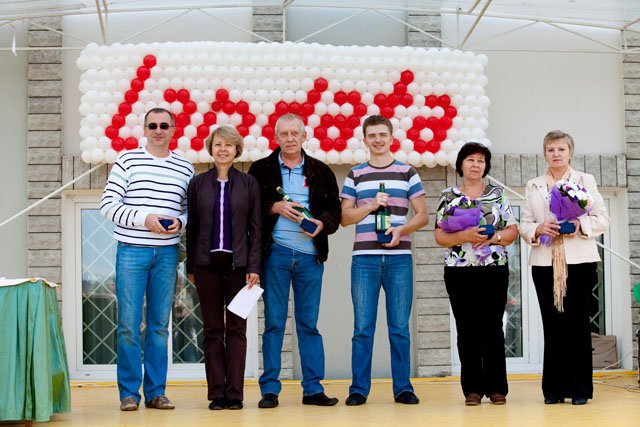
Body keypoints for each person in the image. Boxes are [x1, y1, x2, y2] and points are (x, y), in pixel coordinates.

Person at [100, 107, 194, 411]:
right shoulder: (128, 160)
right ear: (144, 129)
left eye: (164, 125)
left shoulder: (185, 168)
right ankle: (129, 393)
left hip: (167, 254)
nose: (158, 130)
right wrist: (145, 218)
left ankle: (156, 392)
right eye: (152, 125)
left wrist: (180, 222)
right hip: (132, 251)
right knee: (128, 324)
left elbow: (189, 211)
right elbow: (108, 205)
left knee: (159, 326)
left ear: (173, 130)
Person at [248, 113, 341, 408]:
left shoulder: (321, 171)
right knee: (274, 323)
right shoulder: (261, 169)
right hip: (274, 254)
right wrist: (274, 206)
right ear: (276, 137)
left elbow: (335, 212)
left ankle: (313, 389)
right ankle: (270, 391)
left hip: (310, 257)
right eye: (284, 134)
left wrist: (322, 224)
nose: (289, 138)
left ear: (304, 136)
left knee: (308, 324)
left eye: (294, 133)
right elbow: (248, 208)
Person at [340, 115, 429, 406]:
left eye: (382, 135)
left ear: (391, 137)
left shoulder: (407, 172)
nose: (377, 140)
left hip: (399, 259)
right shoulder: (355, 174)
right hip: (364, 260)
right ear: (364, 140)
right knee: (362, 328)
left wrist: (401, 230)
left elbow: (423, 215)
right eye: (372, 135)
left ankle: (403, 388)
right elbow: (345, 218)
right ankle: (358, 389)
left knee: (399, 328)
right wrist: (369, 206)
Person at [520, 130, 610, 405]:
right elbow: (524, 223)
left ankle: (580, 390)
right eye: (551, 149)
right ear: (544, 154)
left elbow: (602, 218)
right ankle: (554, 390)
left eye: (561, 149)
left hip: (579, 261)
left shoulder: (585, 180)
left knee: (578, 324)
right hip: (544, 263)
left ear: (570, 152)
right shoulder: (533, 185)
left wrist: (579, 225)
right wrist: (539, 228)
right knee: (553, 324)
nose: (556, 154)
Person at [434, 142, 519, 406]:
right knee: (467, 328)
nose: (475, 164)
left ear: (486, 166)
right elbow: (440, 236)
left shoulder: (497, 195)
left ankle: (497, 388)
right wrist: (465, 235)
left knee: (492, 327)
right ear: (461, 164)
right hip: (459, 271)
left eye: (481, 160)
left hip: (493, 270)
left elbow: (512, 232)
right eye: (470, 159)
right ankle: (472, 389)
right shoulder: (448, 196)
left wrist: (494, 237)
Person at [186, 125, 261, 410]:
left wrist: (254, 266)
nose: (223, 149)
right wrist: (191, 266)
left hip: (239, 267)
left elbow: (256, 228)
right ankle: (216, 394)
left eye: (228, 145)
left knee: (237, 329)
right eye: (218, 144)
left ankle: (235, 394)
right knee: (213, 330)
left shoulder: (248, 183)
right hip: (206, 266)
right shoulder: (198, 183)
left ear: (236, 149)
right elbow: (192, 228)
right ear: (211, 148)